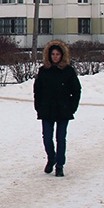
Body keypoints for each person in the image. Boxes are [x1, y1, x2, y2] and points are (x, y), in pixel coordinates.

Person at [33, 39, 80, 177]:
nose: (55, 57)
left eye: (57, 54)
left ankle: (60, 165)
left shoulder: (68, 71)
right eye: (53, 54)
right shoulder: (43, 71)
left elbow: (76, 90)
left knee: (61, 138)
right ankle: (51, 158)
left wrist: (72, 107)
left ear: (62, 56)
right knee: (47, 137)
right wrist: (38, 107)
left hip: (63, 109)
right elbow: (38, 91)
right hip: (46, 109)